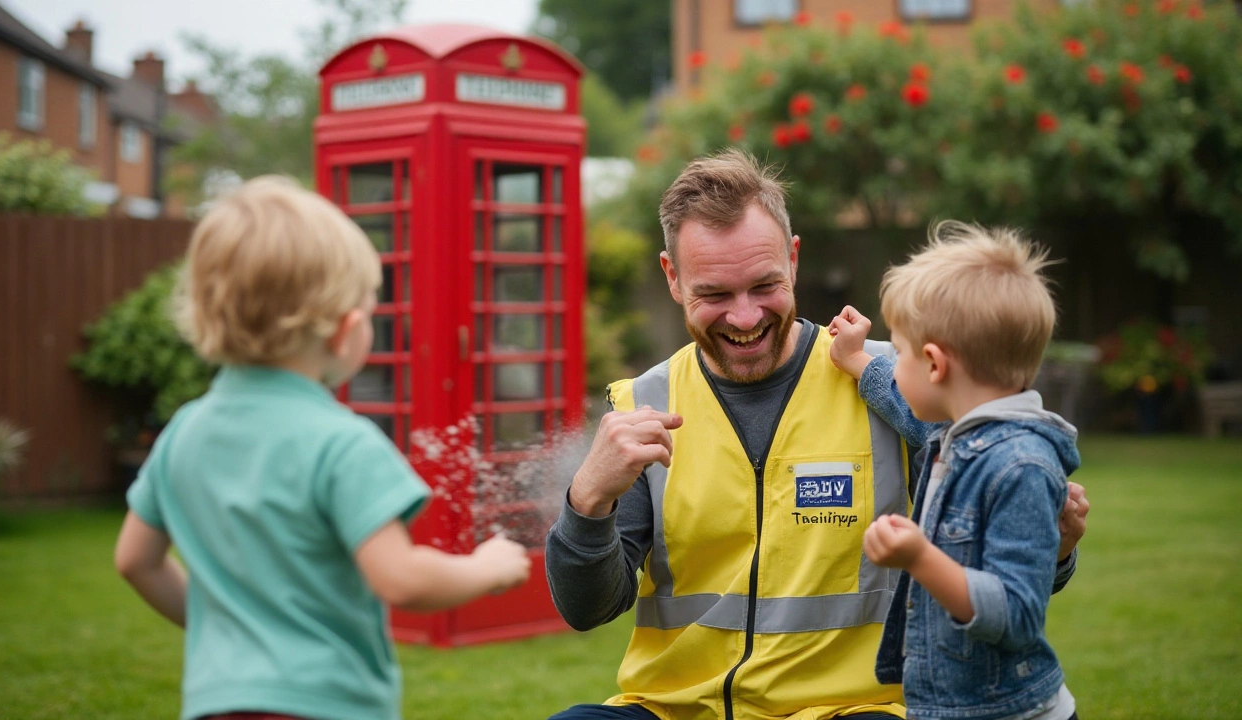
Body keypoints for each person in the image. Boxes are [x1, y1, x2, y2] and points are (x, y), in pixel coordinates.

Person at [544, 150, 1087, 720]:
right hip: (675, 709)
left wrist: (1057, 551)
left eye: (764, 285)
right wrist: (587, 499)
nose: (746, 317)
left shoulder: (903, 384)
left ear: (793, 259)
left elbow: (1000, 550)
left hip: (854, 709)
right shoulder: (643, 403)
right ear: (672, 277)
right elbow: (587, 609)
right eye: (716, 295)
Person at [113, 176, 531, 720]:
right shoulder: (342, 442)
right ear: (346, 331)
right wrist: (487, 568)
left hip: (217, 704)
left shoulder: (184, 431)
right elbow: (400, 578)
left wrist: (229, 631)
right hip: (326, 704)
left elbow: (134, 560)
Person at [826, 221, 1085, 720]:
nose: (892, 362)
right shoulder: (957, 435)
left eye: (896, 350)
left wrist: (920, 557)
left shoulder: (1019, 465)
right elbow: (907, 406)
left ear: (935, 364)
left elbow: (1017, 614)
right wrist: (858, 360)